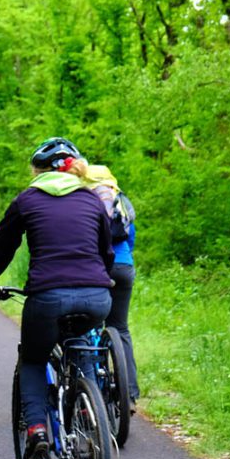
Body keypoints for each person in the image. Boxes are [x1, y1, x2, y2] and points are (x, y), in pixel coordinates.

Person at [0, 137, 114, 459]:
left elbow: (0, 252)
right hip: (96, 296)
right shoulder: (92, 200)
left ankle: (37, 430)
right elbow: (105, 252)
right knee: (81, 347)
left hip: (47, 296)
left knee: (33, 360)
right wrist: (99, 281)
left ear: (37, 171)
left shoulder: (27, 200)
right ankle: (91, 418)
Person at [85, 165, 140, 411]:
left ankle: (94, 390)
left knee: (91, 326)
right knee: (120, 328)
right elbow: (131, 238)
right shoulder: (120, 200)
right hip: (124, 266)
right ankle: (128, 393)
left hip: (96, 268)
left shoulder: (84, 201)